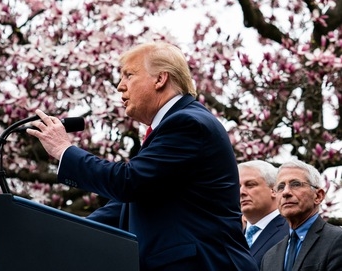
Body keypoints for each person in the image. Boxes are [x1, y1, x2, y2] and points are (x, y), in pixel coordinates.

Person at [27, 41, 258, 271]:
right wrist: (61, 232)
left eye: (129, 75)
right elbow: (126, 204)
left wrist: (64, 151)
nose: (120, 86)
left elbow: (127, 182)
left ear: (160, 79)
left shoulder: (187, 123)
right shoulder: (171, 127)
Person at [261, 159, 342, 271]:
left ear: (318, 196)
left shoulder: (337, 240)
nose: (285, 192)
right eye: (280, 187)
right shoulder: (269, 256)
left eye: (295, 184)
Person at [238, 160, 289, 267]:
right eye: (238, 186)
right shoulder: (234, 234)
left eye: (250, 185)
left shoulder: (290, 232)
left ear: (274, 189)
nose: (241, 192)